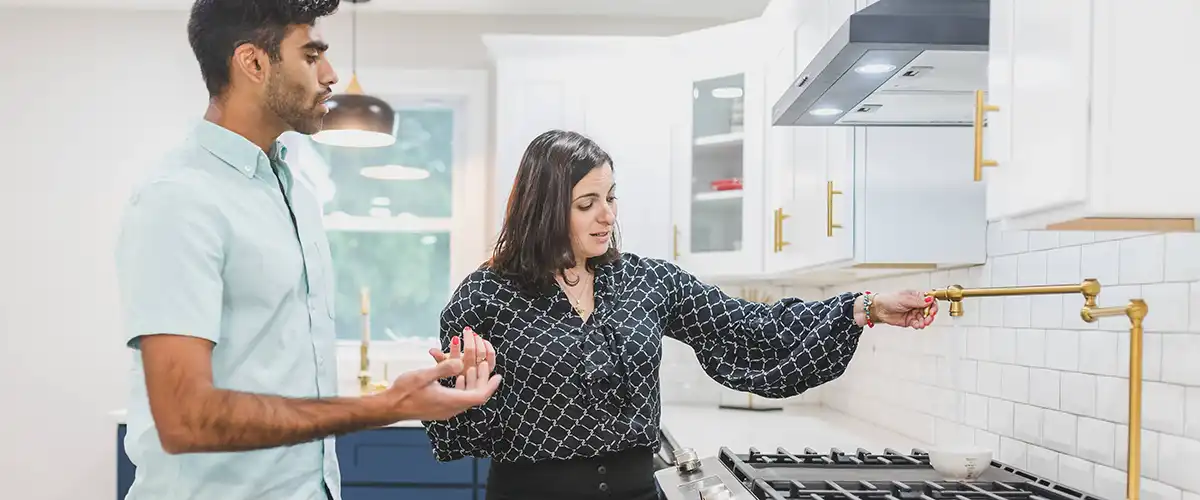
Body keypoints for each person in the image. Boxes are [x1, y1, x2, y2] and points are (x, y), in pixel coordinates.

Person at [419, 129, 941, 500]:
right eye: (587, 203)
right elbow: (454, 435)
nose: (608, 215)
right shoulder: (484, 296)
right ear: (544, 207)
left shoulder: (647, 281)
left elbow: (753, 328)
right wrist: (462, 397)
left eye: (611, 197)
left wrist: (865, 306)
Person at [113, 1, 499, 499]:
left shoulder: (295, 191)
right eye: (312, 55)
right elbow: (185, 418)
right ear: (253, 62)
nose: (330, 74)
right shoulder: (179, 198)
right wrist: (388, 405)